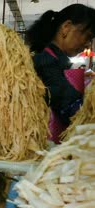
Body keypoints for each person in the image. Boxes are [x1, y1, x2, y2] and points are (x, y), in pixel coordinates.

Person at [26, 4, 95, 143]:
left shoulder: (55, 59)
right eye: (88, 37)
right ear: (66, 27)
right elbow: (68, 104)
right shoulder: (46, 60)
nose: (88, 45)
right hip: (45, 146)